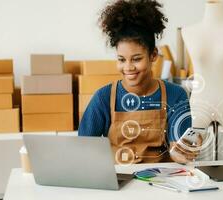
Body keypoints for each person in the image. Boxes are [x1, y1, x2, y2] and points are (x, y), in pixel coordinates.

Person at [78, 0, 200, 164]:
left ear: (153, 55)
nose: (128, 67)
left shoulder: (175, 95)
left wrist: (183, 152)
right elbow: (83, 150)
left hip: (159, 183)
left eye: (136, 59)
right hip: (118, 182)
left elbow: (178, 149)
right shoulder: (104, 97)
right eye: (121, 59)